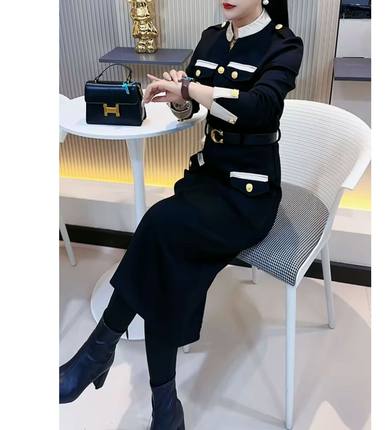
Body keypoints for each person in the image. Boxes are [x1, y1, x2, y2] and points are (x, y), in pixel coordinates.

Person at [59, 1, 304, 428]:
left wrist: (191, 88)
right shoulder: (212, 38)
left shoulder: (283, 45)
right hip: (206, 180)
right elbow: (193, 111)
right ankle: (163, 405)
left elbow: (259, 107)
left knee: (158, 227)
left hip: (249, 194)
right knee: (166, 260)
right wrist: (179, 98)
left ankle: (99, 352)